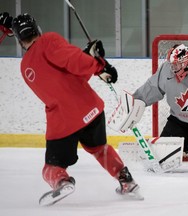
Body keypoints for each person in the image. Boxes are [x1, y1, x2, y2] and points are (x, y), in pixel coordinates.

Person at [0, 12, 143, 205]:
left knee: (51, 167)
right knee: (100, 149)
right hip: (91, 110)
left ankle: (62, 181)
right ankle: (127, 182)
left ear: (18, 39)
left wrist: (91, 62)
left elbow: (63, 79)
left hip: (64, 122)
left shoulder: (25, 67)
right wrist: (98, 65)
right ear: (37, 29)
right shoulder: (48, 40)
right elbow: (72, 64)